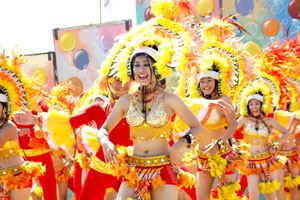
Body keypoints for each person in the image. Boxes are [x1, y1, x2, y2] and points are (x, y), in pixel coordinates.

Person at [96, 44, 203, 200]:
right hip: (134, 169)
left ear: (157, 67)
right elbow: (103, 130)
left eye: (146, 64)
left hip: (163, 168)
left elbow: (197, 128)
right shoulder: (126, 101)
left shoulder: (170, 99)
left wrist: (179, 146)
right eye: (136, 65)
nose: (141, 70)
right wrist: (105, 142)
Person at [236, 82, 291, 200]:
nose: (254, 107)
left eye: (257, 103)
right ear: (247, 106)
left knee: (271, 195)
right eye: (251, 104)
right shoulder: (244, 119)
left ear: (263, 104)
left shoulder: (270, 121)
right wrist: (238, 147)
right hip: (251, 162)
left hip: (269, 160)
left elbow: (287, 133)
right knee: (254, 195)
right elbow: (229, 132)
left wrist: (276, 144)